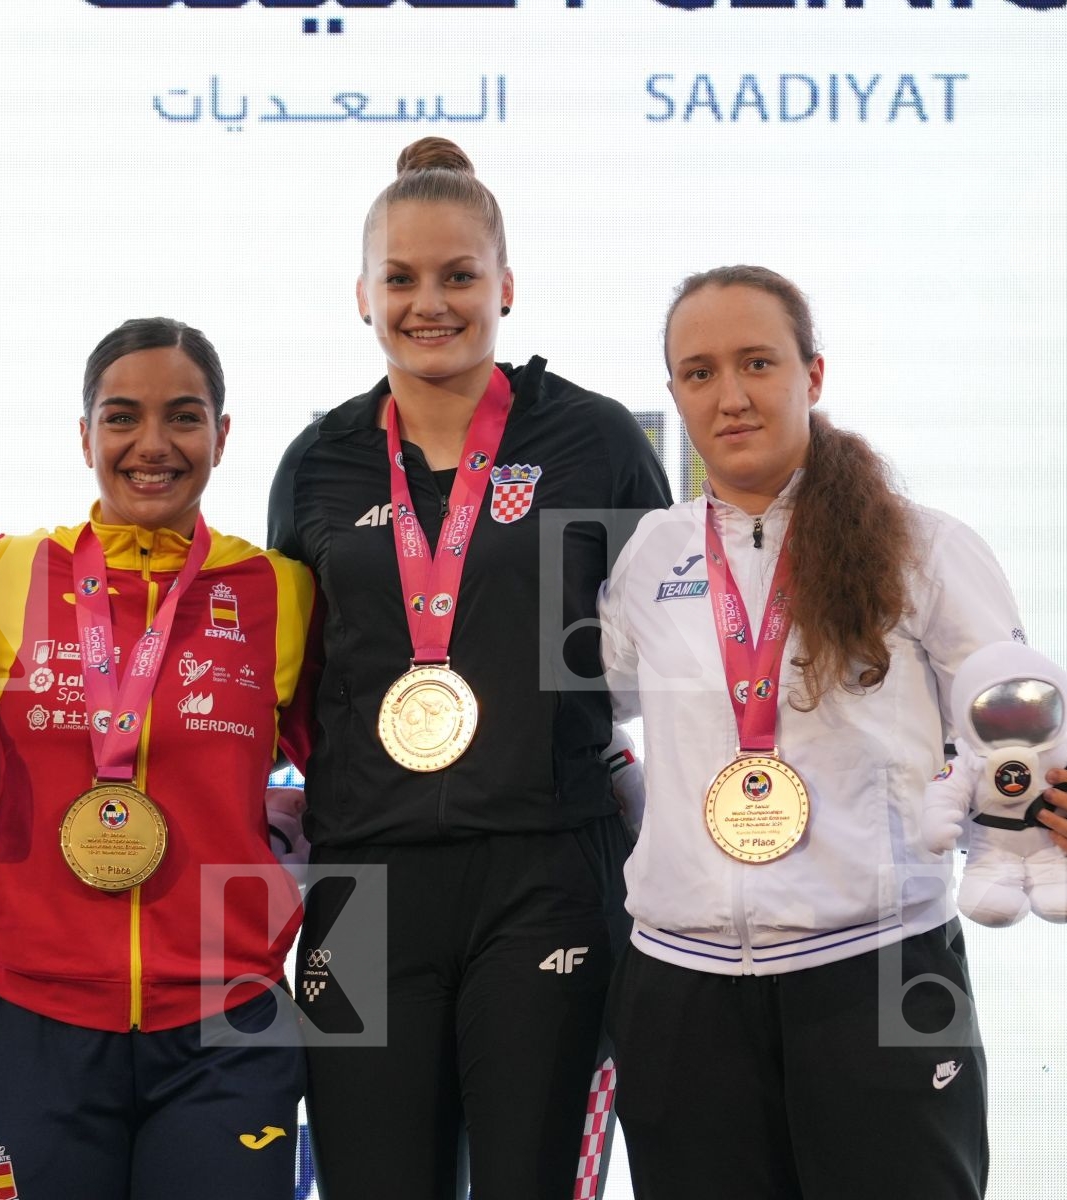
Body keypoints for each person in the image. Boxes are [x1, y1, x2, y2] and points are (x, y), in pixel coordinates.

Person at [596, 263, 1067, 1199]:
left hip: (878, 972)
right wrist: (660, 835)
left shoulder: (920, 545)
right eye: (698, 372)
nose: (730, 396)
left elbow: (1022, 731)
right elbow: (584, 721)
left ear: (813, 374)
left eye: (758, 362)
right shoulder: (653, 554)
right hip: (680, 992)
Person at [267, 137, 672, 1200]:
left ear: (506, 283)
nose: (428, 302)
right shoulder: (317, 460)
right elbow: (288, 678)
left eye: (458, 275)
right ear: (363, 293)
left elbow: (676, 656)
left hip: (544, 875)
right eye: (401, 278)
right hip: (357, 885)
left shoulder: (593, 440)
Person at [0, 317, 317, 1200]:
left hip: (227, 1023)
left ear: (223, 436)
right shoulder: (5, 573)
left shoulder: (279, 591)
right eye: (121, 418)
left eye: (184, 418)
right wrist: (15, 887)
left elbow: (355, 791)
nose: (151, 445)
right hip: (35, 1016)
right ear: (84, 436)